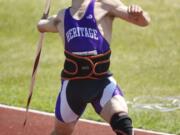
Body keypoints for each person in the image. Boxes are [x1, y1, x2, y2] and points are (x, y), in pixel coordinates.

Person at [37, 0, 150, 134]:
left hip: (101, 83)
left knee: (124, 125)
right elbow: (41, 26)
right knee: (60, 133)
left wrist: (139, 14)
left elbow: (143, 21)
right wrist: (43, 19)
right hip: (73, 89)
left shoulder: (105, 5)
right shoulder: (62, 16)